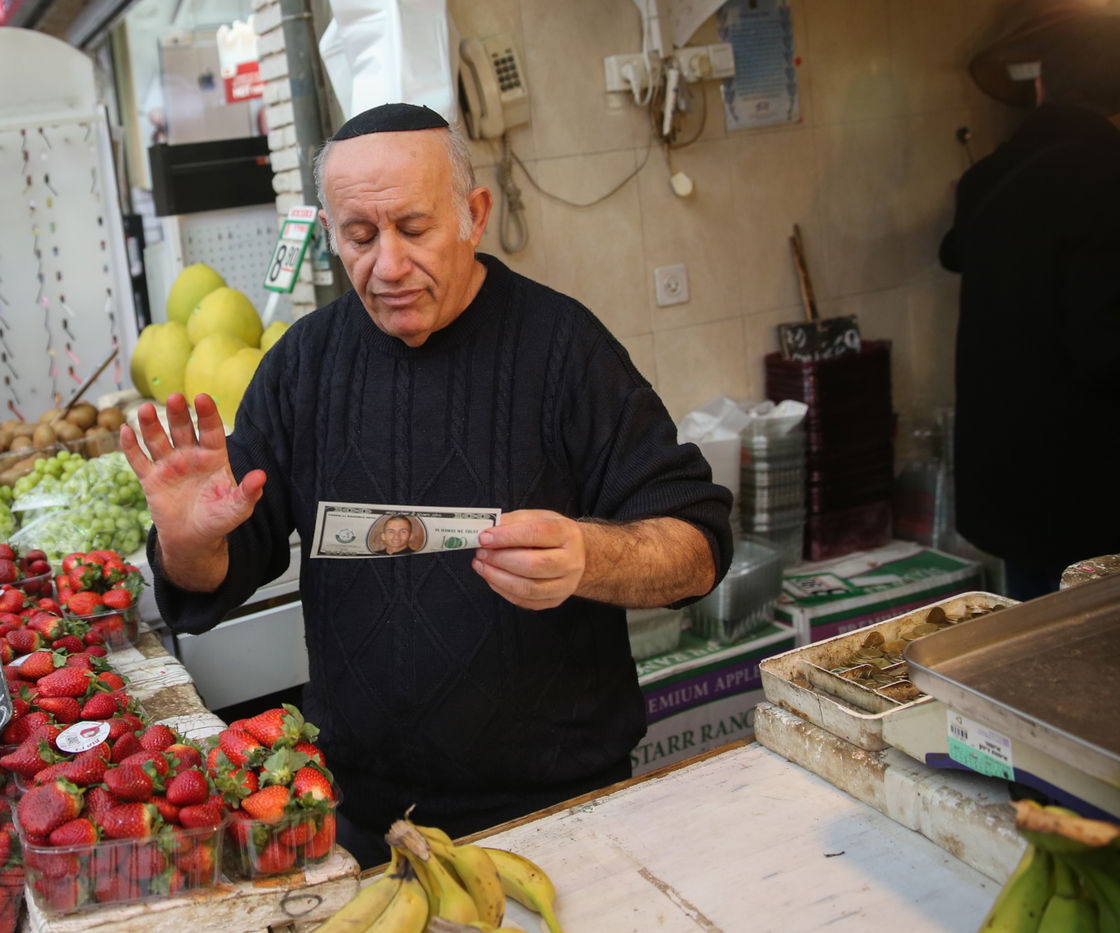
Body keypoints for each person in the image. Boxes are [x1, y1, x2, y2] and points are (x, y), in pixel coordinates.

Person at [123, 103, 732, 866]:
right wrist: (186, 540)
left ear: (473, 215)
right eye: (360, 236)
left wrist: (589, 555)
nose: (388, 265)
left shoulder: (562, 348)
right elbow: (220, 568)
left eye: (413, 229)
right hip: (362, 818)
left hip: (565, 808)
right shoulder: (303, 368)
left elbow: (698, 543)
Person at [940, 13, 1120, 602]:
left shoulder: (987, 179)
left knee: (1035, 662)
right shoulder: (1106, 182)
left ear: (1041, 88)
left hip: (1010, 493)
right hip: (1091, 501)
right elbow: (1105, 350)